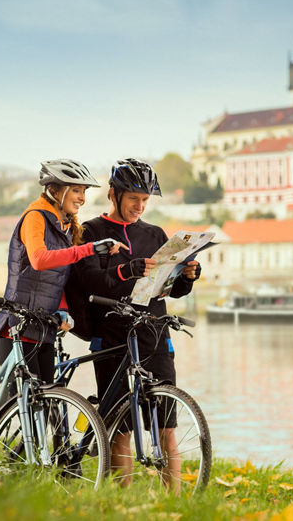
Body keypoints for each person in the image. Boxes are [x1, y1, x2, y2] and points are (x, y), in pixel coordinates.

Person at [72, 158, 201, 492]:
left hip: (155, 334)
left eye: (145, 200)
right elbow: (87, 280)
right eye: (133, 199)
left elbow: (167, 290)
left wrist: (186, 278)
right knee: (120, 427)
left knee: (167, 426)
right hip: (112, 337)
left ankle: (176, 502)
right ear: (114, 194)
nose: (140, 206)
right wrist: (126, 271)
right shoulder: (90, 232)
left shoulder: (155, 234)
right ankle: (123, 499)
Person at [0, 159, 126, 391]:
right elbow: (39, 259)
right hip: (18, 328)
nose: (82, 197)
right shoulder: (35, 217)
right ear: (55, 190)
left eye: (83, 191)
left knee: (48, 405)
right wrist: (90, 248)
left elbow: (57, 277)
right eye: (76, 190)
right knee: (27, 407)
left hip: (44, 329)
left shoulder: (63, 226)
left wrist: (62, 308)